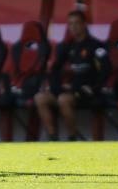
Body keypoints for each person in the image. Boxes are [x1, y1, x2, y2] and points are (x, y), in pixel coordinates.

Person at [34, 10, 111, 141]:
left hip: (87, 91)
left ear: (84, 24)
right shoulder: (68, 46)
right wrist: (56, 88)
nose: (73, 27)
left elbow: (106, 69)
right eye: (70, 24)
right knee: (40, 98)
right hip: (71, 90)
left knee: (63, 100)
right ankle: (53, 137)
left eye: (77, 23)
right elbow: (54, 70)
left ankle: (72, 137)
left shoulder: (95, 45)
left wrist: (95, 88)